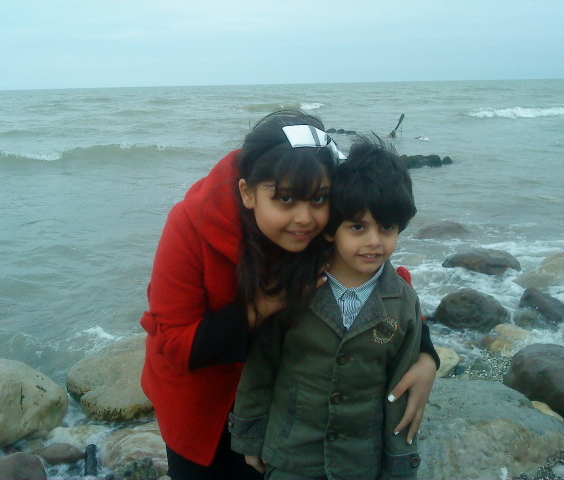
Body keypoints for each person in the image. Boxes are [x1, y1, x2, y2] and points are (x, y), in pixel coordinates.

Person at [140, 111, 439, 480]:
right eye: (285, 199)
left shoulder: (323, 217)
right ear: (247, 192)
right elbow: (173, 345)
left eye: (319, 199)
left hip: (287, 413)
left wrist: (425, 353)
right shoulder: (191, 225)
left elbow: (377, 274)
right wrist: (262, 307)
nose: (305, 219)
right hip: (203, 403)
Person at [230, 135, 425, 480]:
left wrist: (399, 466)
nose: (374, 242)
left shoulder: (403, 302)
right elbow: (261, 367)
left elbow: (401, 393)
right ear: (332, 229)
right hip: (291, 457)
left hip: (360, 464)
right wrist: (250, 438)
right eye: (358, 227)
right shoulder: (293, 287)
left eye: (387, 227)